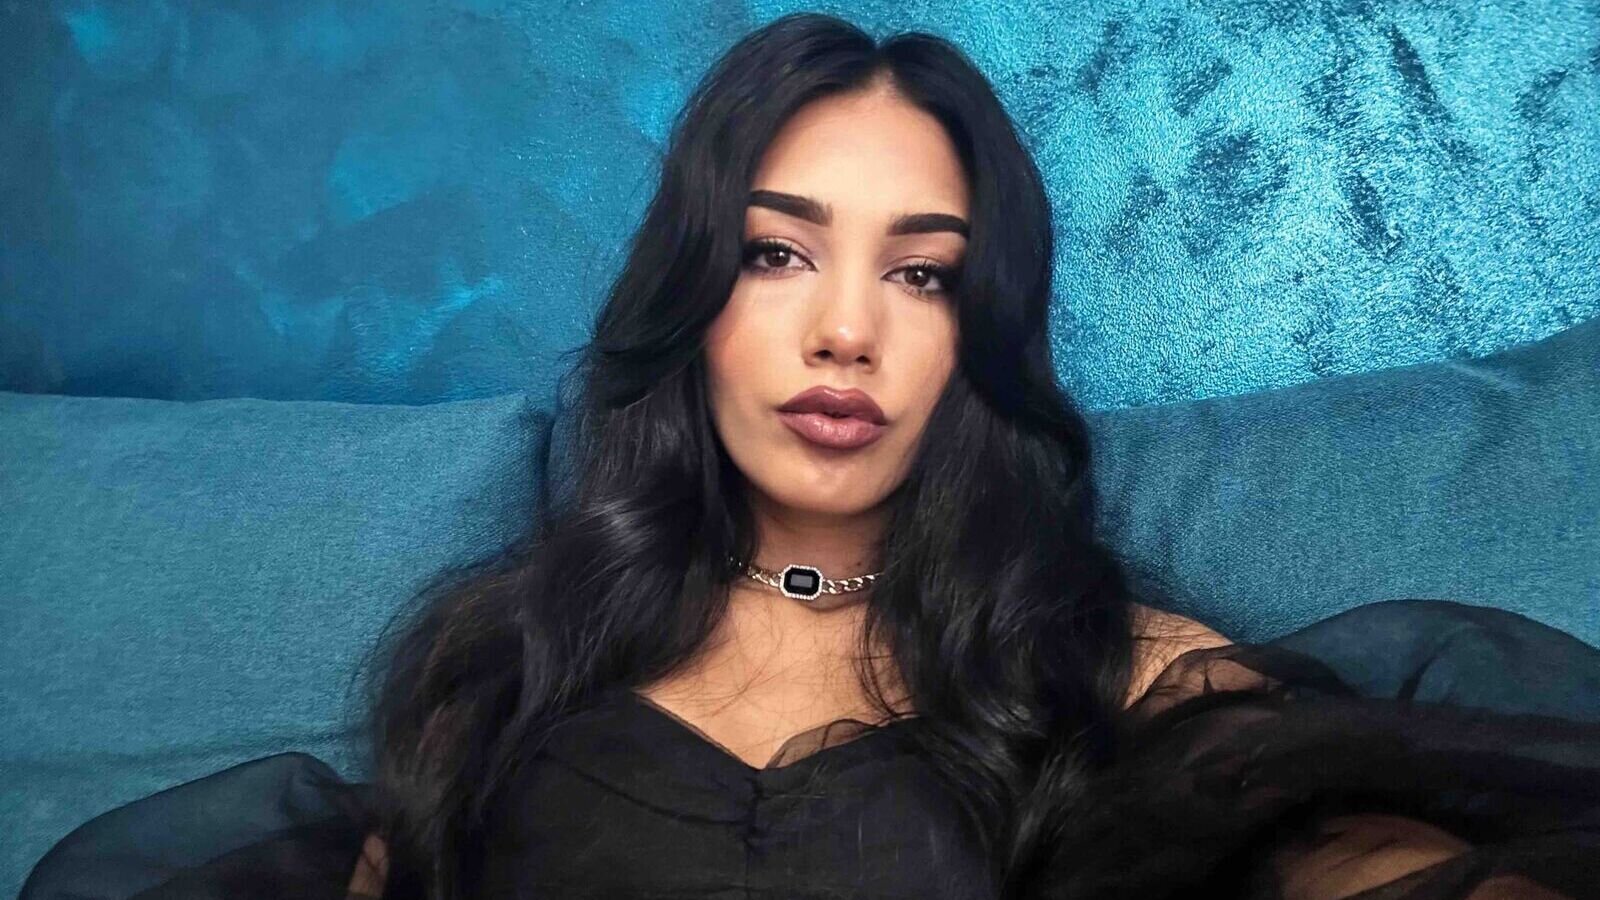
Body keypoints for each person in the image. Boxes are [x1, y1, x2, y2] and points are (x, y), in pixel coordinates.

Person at [20, 12, 1600, 900]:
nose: (847, 331)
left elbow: (1334, 845)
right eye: (779, 254)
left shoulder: (1111, 672)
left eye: (922, 275)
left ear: (978, 336)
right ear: (694, 296)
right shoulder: (510, 663)